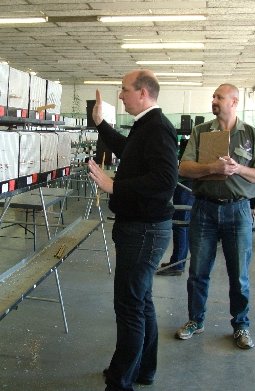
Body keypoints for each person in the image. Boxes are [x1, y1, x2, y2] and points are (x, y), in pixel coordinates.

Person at [88, 70, 178, 391]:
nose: (121, 95)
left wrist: (113, 185)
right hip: (142, 229)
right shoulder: (147, 126)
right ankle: (142, 371)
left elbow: (165, 179)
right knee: (141, 302)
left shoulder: (159, 130)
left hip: (144, 231)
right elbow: (128, 151)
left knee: (129, 307)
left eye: (125, 90)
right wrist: (101, 124)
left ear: (143, 93)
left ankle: (120, 381)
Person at [175, 84, 255, 349]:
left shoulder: (251, 134)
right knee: (197, 271)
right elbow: (184, 168)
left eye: (219, 97)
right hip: (204, 209)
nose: (214, 100)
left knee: (239, 274)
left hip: (238, 210)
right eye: (214, 96)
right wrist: (212, 168)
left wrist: (238, 168)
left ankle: (241, 326)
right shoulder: (201, 131)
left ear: (234, 102)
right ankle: (196, 320)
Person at [156, 179, 194, 276]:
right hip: (184, 182)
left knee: (181, 225)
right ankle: (177, 261)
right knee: (180, 225)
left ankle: (177, 264)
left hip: (187, 182)